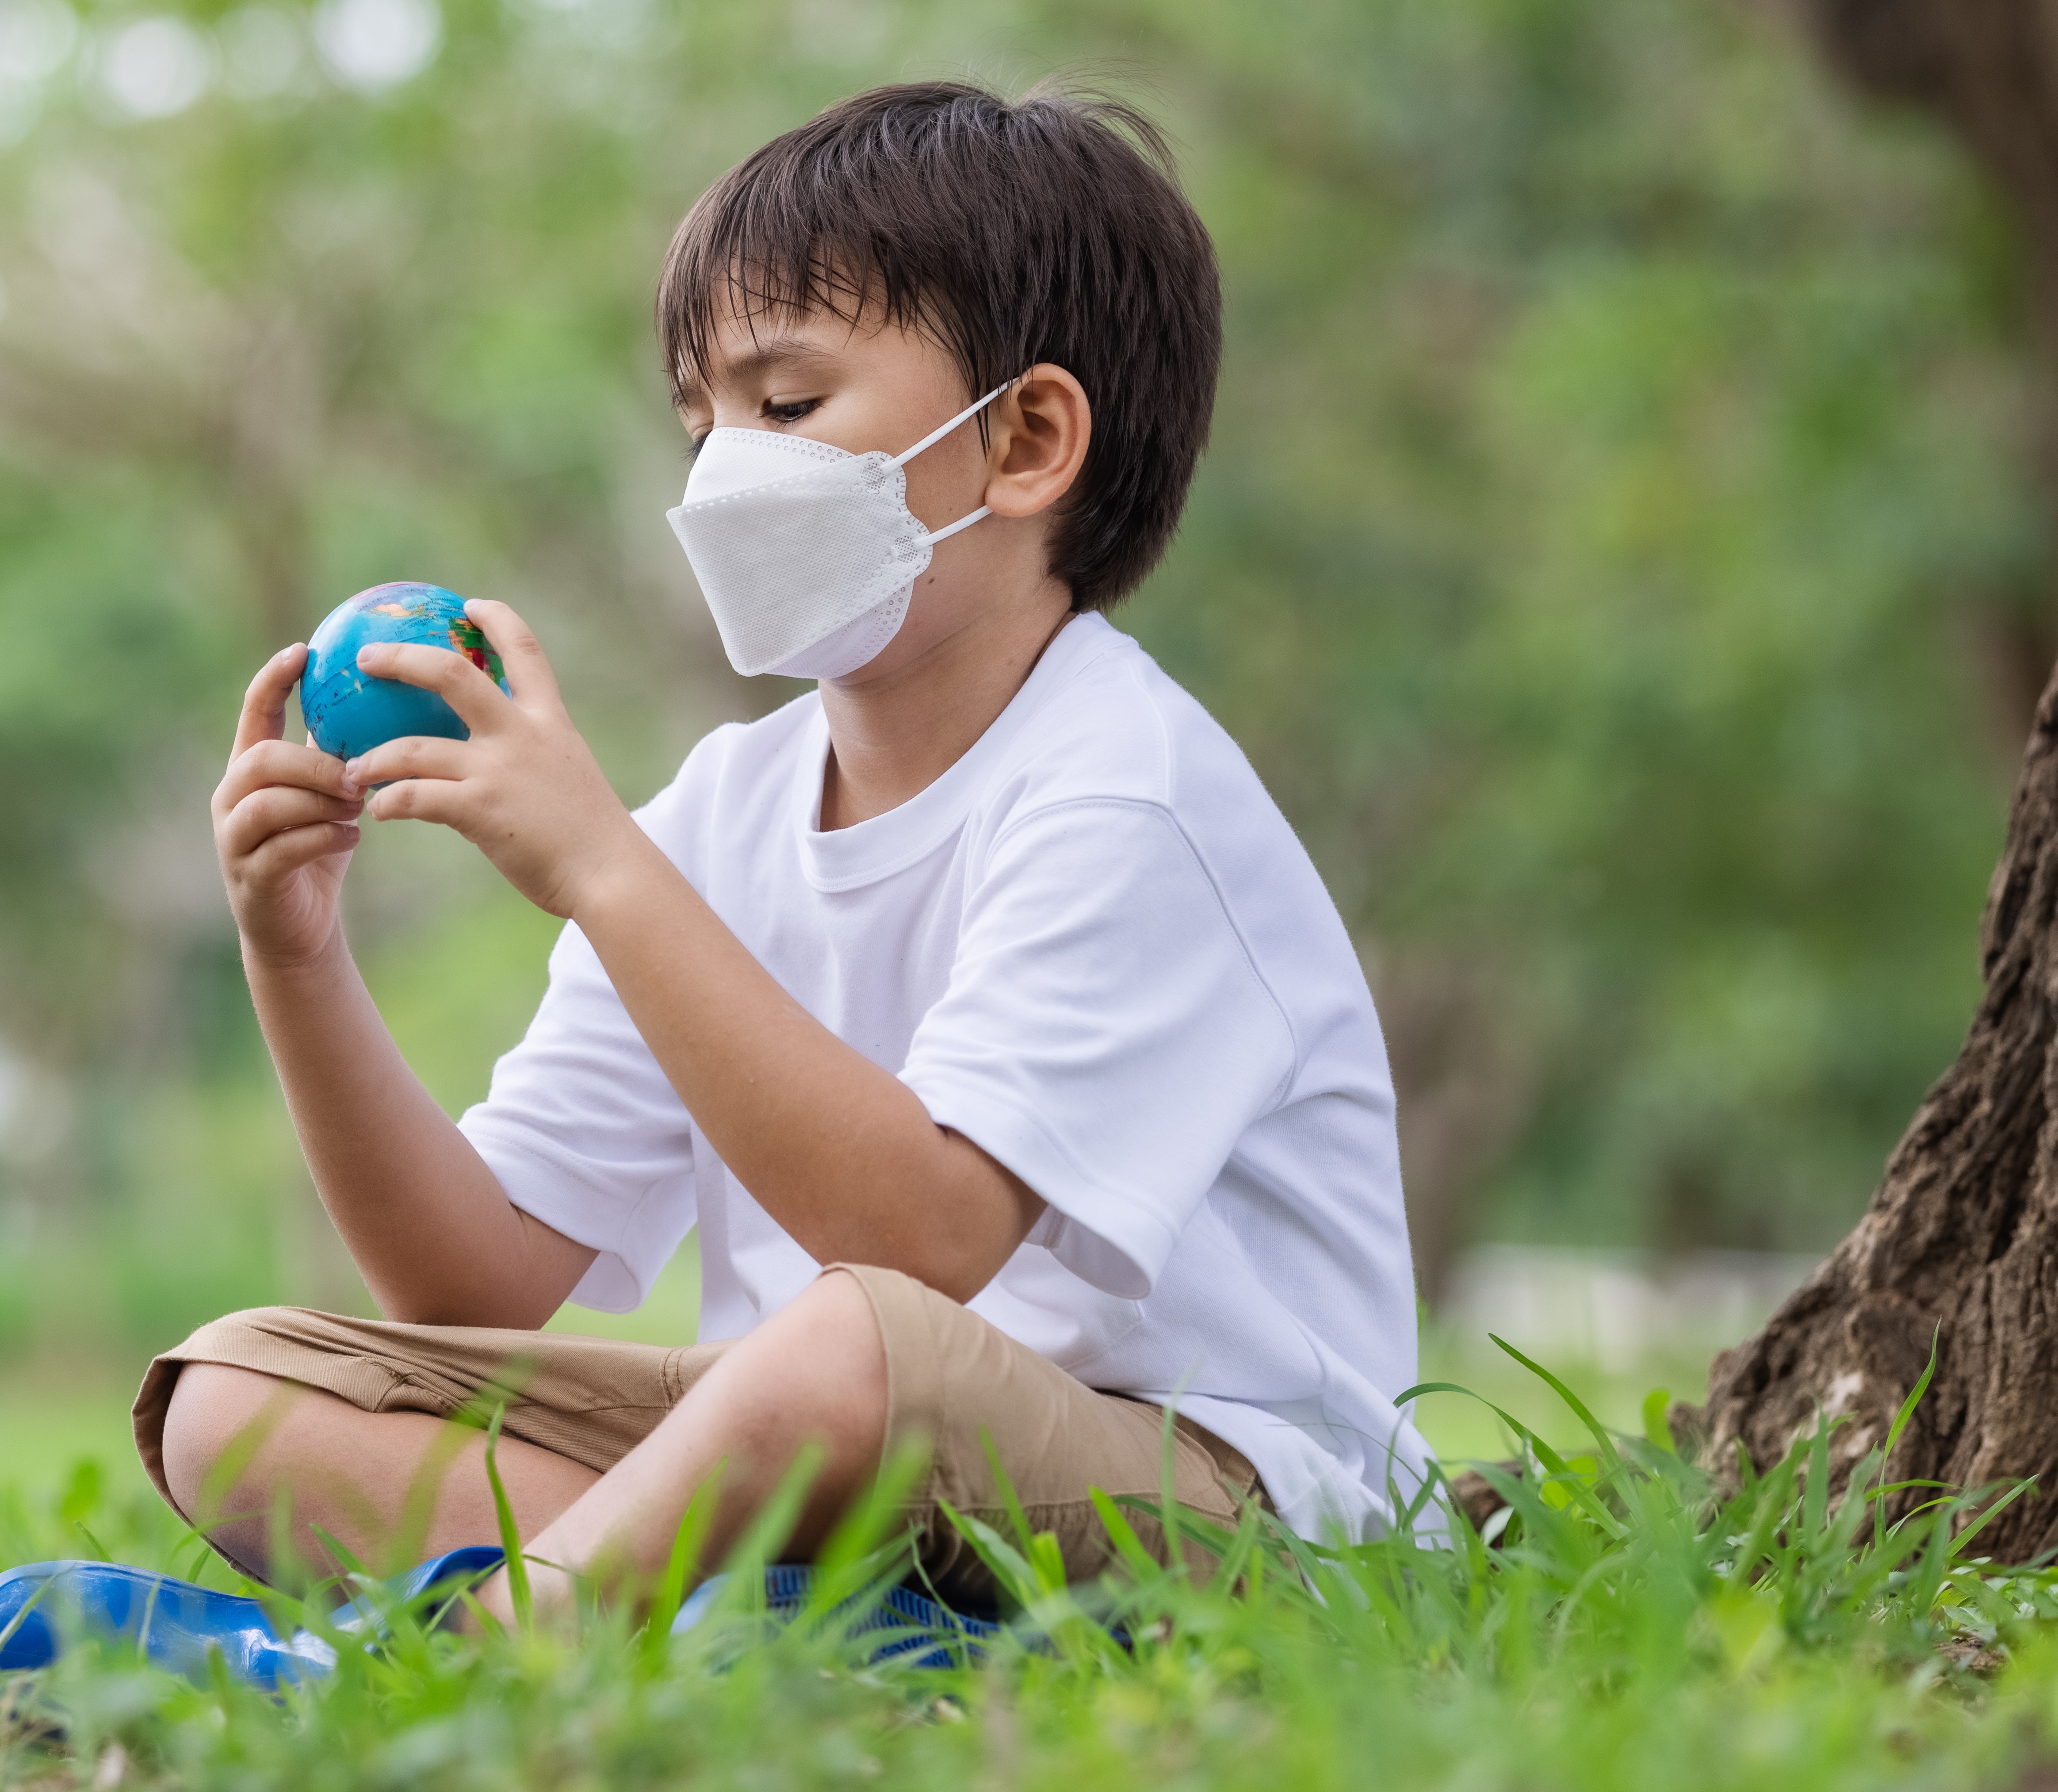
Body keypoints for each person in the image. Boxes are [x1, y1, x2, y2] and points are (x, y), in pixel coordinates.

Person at [140, 78, 1425, 1628]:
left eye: (787, 407)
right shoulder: (725, 807)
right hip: (833, 1454)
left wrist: (604, 871)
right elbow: (468, 1284)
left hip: (1217, 1502)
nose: (720, 475)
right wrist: (300, 954)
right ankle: (780, 1621)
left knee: (850, 1340)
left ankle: (484, 1640)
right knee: (235, 1395)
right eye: (703, 422)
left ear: (1022, 439)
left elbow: (926, 1243)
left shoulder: (1125, 791)